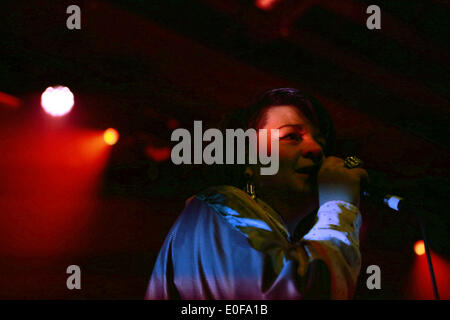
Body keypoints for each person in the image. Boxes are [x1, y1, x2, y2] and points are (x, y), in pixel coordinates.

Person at [146, 88, 368, 299]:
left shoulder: (277, 241)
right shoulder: (219, 206)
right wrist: (339, 206)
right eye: (291, 136)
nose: (317, 150)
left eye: (320, 141)